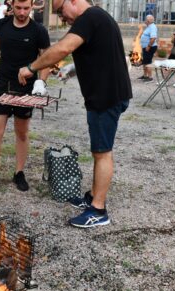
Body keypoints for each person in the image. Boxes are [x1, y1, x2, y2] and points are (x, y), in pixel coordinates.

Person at [18, 0, 132, 228]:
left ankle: (98, 210)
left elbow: (62, 48)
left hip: (106, 97)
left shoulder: (90, 17)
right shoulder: (99, 17)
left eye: (61, 11)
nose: (62, 18)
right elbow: (101, 54)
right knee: (99, 149)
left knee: (102, 152)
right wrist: (73, 70)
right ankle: (93, 196)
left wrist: (31, 68)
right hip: (109, 93)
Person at [0, 0, 50, 193]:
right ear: (12, 6)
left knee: (21, 133)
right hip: (2, 86)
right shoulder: (1, 26)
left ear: (32, 7)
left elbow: (46, 59)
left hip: (26, 89)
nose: (22, 12)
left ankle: (19, 173)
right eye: (18, 8)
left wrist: (41, 81)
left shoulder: (39, 31)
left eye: (26, 8)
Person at [138, 15, 157, 82]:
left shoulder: (152, 27)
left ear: (148, 21)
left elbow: (153, 38)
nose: (145, 21)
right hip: (145, 47)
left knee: (148, 62)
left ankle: (150, 77)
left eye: (145, 19)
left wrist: (148, 46)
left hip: (149, 47)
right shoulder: (149, 27)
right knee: (145, 62)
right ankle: (145, 75)